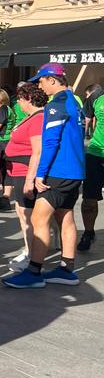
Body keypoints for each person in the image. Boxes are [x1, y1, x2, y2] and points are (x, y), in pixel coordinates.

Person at [5, 63, 86, 289]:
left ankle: (34, 272)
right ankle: (66, 269)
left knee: (38, 219)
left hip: (58, 171)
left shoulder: (56, 105)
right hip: (75, 170)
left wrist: (40, 174)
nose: (39, 85)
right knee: (65, 216)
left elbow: (50, 142)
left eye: (41, 80)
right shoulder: (74, 102)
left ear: (52, 79)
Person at [4, 84, 48, 271]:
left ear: (28, 99)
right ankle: (29, 250)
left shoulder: (38, 118)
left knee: (27, 216)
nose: (18, 103)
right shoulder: (31, 117)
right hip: (17, 171)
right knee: (22, 213)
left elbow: (37, 151)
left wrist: (30, 180)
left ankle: (32, 255)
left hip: (24, 171)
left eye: (20, 100)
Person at [79, 82, 104, 252]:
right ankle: (88, 233)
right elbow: (85, 122)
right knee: (89, 199)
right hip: (95, 153)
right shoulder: (96, 97)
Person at [0, 90, 16, 210]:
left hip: (1, 142)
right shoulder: (5, 109)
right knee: (5, 171)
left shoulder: (2, 110)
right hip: (6, 142)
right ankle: (5, 198)